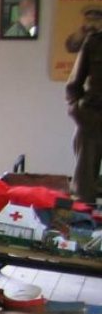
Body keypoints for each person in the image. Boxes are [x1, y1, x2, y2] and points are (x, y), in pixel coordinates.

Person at [66, 30, 102, 204]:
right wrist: (78, 111)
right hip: (91, 121)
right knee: (83, 192)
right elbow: (73, 85)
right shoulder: (94, 42)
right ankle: (82, 227)